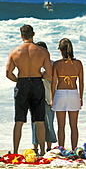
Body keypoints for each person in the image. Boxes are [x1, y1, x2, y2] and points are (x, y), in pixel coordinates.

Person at [6, 25, 52, 156]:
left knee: (19, 120)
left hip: (22, 84)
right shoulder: (42, 51)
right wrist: (40, 76)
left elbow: (8, 73)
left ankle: (15, 151)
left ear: (21, 36)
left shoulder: (15, 52)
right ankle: (43, 150)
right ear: (34, 34)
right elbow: (49, 73)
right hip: (37, 83)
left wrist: (19, 80)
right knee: (39, 120)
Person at [51, 38, 84, 150]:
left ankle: (61, 148)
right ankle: (75, 149)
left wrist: (52, 98)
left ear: (60, 50)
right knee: (74, 125)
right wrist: (81, 97)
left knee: (61, 126)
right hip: (74, 93)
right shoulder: (78, 63)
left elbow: (54, 83)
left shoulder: (57, 64)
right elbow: (81, 82)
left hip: (60, 94)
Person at [31, 42, 57, 154]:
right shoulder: (32, 64)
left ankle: (48, 147)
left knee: (49, 122)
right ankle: (35, 147)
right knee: (35, 123)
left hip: (49, 97)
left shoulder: (52, 64)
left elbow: (57, 82)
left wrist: (45, 75)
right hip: (35, 97)